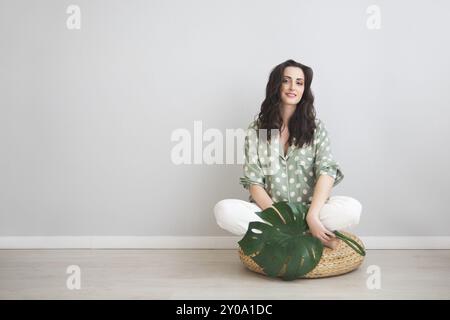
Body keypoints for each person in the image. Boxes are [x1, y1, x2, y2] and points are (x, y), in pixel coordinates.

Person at [213, 59, 362, 249]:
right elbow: (254, 183)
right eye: (286, 80)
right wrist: (281, 219)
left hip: (310, 211)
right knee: (224, 210)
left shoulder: (316, 129)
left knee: (352, 208)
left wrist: (313, 215)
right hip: (272, 215)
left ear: (304, 89)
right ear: (276, 85)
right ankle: (300, 235)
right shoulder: (258, 131)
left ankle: (305, 229)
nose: (293, 87)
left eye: (299, 82)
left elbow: (327, 172)